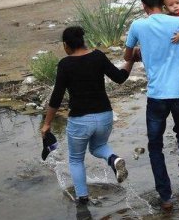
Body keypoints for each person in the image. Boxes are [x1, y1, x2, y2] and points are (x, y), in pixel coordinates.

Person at [124, 0, 179, 212]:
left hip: (157, 95)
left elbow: (128, 55)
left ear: (144, 6)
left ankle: (166, 197)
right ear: (161, 2)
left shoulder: (138, 25)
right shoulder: (178, 22)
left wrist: (141, 52)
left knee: (155, 145)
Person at [41, 26, 135, 204]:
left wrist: (47, 124)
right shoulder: (98, 56)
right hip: (105, 116)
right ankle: (113, 159)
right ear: (83, 41)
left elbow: (56, 97)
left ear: (66, 44)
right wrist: (131, 61)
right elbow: (120, 77)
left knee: (76, 159)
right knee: (98, 147)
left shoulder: (65, 64)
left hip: (80, 120)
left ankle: (82, 198)